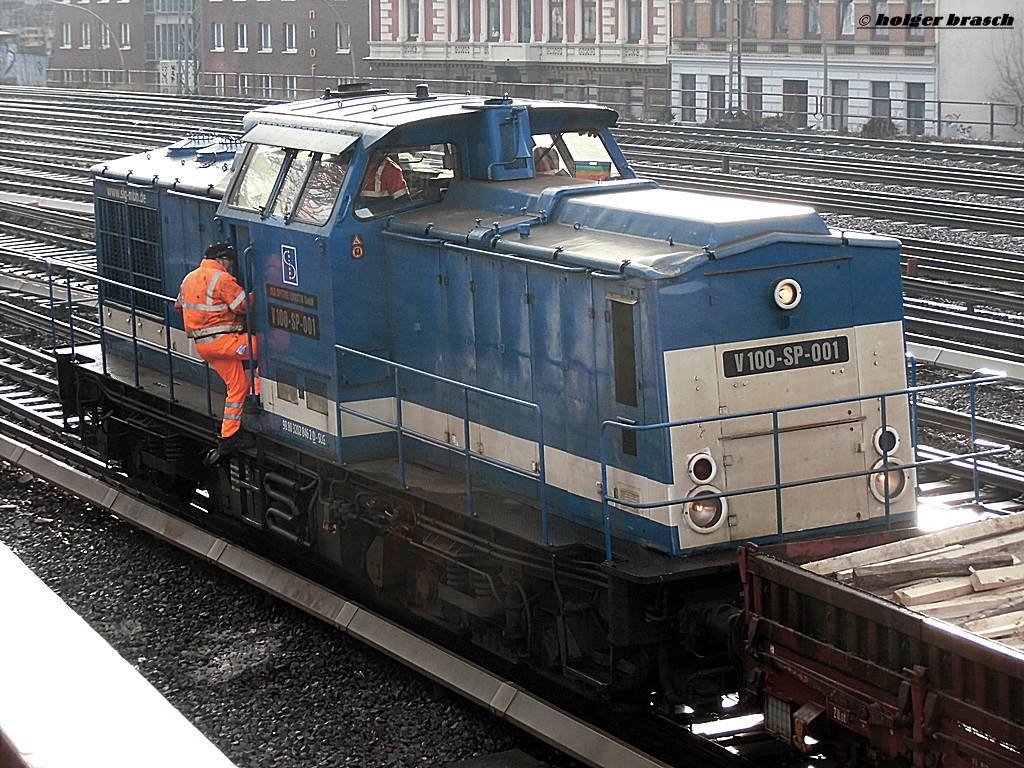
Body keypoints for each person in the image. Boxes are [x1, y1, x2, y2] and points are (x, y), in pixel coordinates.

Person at [175, 243, 260, 458]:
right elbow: (243, 305)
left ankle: (227, 438)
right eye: (230, 261)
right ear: (222, 259)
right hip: (223, 343)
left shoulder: (189, 278)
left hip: (203, 346)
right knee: (263, 348)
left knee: (238, 385)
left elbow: (179, 306)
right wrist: (259, 295)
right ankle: (258, 394)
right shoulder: (221, 279)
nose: (230, 266)